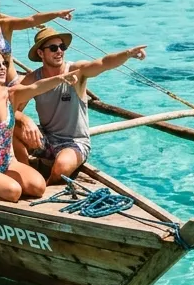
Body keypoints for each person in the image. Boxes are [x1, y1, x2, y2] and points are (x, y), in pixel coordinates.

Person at [18, 26, 147, 185]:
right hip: (46, 137)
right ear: (40, 53)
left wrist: (127, 54)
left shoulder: (76, 71)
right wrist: (24, 119)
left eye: (62, 47)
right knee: (12, 130)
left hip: (74, 142)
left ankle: (46, 186)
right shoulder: (33, 79)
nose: (59, 51)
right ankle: (25, 176)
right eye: (53, 48)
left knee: (61, 168)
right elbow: (9, 108)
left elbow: (103, 63)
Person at [0, 47, 78, 204]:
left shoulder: (11, 95)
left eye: (4, 63)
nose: (3, 67)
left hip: (8, 162)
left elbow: (36, 87)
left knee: (38, 187)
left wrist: (61, 78)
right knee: (13, 191)